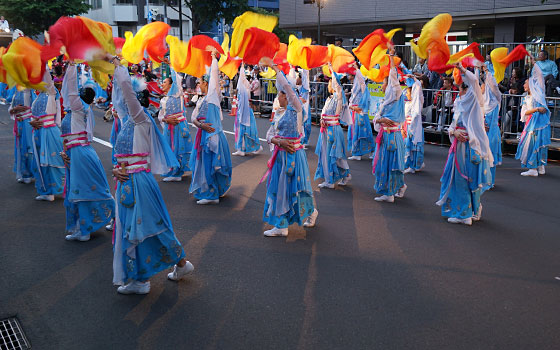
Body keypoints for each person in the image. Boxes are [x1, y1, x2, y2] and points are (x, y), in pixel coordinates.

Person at [105, 56, 193, 295]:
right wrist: (116, 169)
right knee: (137, 231)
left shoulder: (140, 118)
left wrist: (118, 65)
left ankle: (152, 276)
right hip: (127, 182)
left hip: (139, 183)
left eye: (127, 99)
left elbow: (126, 91)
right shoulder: (126, 122)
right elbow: (119, 97)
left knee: (150, 228)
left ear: (136, 100)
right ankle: (145, 276)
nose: (122, 102)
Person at [260, 57, 318, 237]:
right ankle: (282, 225)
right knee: (280, 188)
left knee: (297, 188)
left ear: (286, 95)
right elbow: (269, 135)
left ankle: (311, 212)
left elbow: (287, 87)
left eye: (281, 93)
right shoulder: (279, 113)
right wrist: (278, 141)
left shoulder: (297, 109)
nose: (278, 96)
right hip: (280, 156)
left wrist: (275, 68)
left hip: (294, 155)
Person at [60, 63, 114, 241]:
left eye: (80, 93)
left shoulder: (79, 108)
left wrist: (71, 66)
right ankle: (81, 228)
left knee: (83, 190)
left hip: (80, 154)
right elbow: (68, 92)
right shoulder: (74, 109)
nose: (76, 95)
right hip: (77, 152)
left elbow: (70, 88)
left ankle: (86, 230)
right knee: (79, 190)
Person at [436, 63, 493, 225]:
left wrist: (462, 69)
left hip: (470, 147)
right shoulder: (460, 104)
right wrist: (454, 132)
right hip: (459, 146)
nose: (458, 92)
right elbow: (452, 126)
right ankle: (472, 211)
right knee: (462, 179)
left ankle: (465, 215)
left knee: (464, 178)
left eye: (460, 89)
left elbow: (474, 81)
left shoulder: (474, 101)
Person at [189, 52, 232, 205]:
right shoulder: (201, 100)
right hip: (203, 136)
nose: (198, 85)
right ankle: (209, 191)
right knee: (203, 164)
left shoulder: (213, 96)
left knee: (211, 164)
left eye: (199, 82)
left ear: (206, 84)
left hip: (213, 137)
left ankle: (212, 194)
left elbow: (214, 75)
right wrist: (200, 125)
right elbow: (193, 118)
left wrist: (214, 58)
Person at [372, 47, 407, 203]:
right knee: (387, 163)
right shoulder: (386, 102)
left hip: (392, 135)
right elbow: (377, 119)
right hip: (386, 135)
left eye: (384, 82)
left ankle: (390, 192)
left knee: (390, 164)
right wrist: (381, 120)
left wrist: (391, 56)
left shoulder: (396, 92)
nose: (382, 85)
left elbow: (393, 75)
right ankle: (396, 188)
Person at [29, 68, 65, 201]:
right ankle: (46, 191)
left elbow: (55, 118)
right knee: (41, 162)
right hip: (39, 132)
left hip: (49, 131)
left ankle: (53, 190)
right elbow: (34, 115)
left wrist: (42, 60)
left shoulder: (51, 91)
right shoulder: (40, 95)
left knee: (51, 162)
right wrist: (32, 123)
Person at [314, 63, 351, 189]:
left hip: (333, 130)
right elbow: (323, 114)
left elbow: (338, 87)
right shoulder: (330, 99)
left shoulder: (338, 98)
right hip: (326, 129)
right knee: (331, 154)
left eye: (332, 82)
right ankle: (344, 175)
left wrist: (331, 67)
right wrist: (321, 120)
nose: (330, 84)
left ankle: (330, 180)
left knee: (333, 155)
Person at [515, 56, 551, 176]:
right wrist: (536, 109)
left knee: (537, 144)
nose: (524, 85)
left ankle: (536, 168)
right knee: (533, 144)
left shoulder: (539, 93)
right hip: (531, 122)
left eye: (525, 83)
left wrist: (534, 63)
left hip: (538, 123)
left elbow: (540, 76)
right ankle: (537, 167)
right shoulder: (526, 98)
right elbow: (524, 112)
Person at [158, 67, 192, 182]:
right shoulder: (163, 100)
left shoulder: (178, 95)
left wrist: (171, 64)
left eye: (164, 82)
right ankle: (173, 171)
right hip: (169, 127)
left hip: (178, 126)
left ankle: (177, 173)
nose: (162, 84)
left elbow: (177, 79)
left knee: (178, 148)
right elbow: (160, 117)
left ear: (171, 85)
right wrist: (166, 121)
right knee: (170, 148)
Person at [232, 64, 262, 156]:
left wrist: (241, 66)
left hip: (246, 112)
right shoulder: (245, 88)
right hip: (243, 111)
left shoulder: (245, 88)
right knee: (242, 130)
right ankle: (241, 148)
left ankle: (255, 146)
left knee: (249, 130)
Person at [347, 63, 375, 161]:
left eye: (350, 74)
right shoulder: (355, 84)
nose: (348, 76)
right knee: (355, 132)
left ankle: (371, 150)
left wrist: (357, 69)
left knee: (364, 132)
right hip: (354, 111)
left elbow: (362, 82)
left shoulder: (361, 83)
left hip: (360, 111)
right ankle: (357, 152)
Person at [481, 63, 502, 186]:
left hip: (492, 133)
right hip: (483, 132)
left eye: (484, 85)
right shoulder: (483, 101)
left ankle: (490, 181)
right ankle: (483, 178)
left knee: (491, 155)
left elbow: (493, 84)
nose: (482, 86)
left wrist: (487, 71)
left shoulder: (495, 99)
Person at [9, 88, 35, 184]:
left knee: (28, 148)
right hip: (19, 123)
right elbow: (11, 108)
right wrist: (14, 109)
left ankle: (28, 173)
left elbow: (36, 107)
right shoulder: (16, 90)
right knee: (19, 148)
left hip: (28, 122)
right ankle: (21, 173)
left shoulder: (30, 91)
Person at [403, 75, 425, 174]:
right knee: (408, 146)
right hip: (407, 126)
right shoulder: (407, 104)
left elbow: (419, 87)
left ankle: (415, 165)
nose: (406, 94)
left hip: (415, 127)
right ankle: (409, 164)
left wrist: (415, 78)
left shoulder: (417, 103)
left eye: (407, 92)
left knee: (414, 146)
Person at [298, 68, 313, 148]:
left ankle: (304, 140)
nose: (296, 79)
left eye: (298, 77)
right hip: (300, 108)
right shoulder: (298, 88)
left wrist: (305, 69)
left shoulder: (305, 88)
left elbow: (305, 79)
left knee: (305, 124)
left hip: (305, 108)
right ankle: (302, 140)